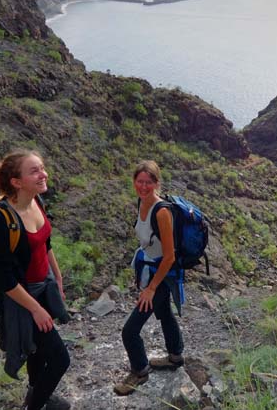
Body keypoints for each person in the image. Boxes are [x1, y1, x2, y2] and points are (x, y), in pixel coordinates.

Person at [0, 149, 71, 410]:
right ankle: (34, 406)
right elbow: (3, 278)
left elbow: (45, 243)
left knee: (38, 350)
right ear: (16, 181)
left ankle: (37, 394)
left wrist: (57, 278)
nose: (43, 174)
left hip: (44, 287)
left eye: (42, 168)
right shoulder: (0, 219)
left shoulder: (36, 201)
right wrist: (36, 309)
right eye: (34, 171)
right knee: (60, 359)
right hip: (21, 298)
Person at [114, 160, 185, 396]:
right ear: (134, 181)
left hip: (163, 275)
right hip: (152, 270)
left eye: (149, 182)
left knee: (130, 330)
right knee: (164, 313)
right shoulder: (141, 202)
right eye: (139, 181)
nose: (143, 186)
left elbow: (169, 256)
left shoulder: (162, 211)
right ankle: (175, 356)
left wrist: (151, 288)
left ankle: (139, 371)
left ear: (157, 182)